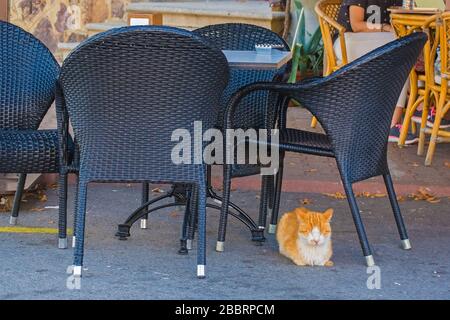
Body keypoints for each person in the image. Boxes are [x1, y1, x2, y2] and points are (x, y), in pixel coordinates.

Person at [335, 0, 419, 144]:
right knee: (403, 48)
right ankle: (393, 125)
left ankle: (421, 107)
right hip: (350, 41)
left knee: (412, 43)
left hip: (380, 42)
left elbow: (405, 18)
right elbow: (356, 25)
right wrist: (385, 27)